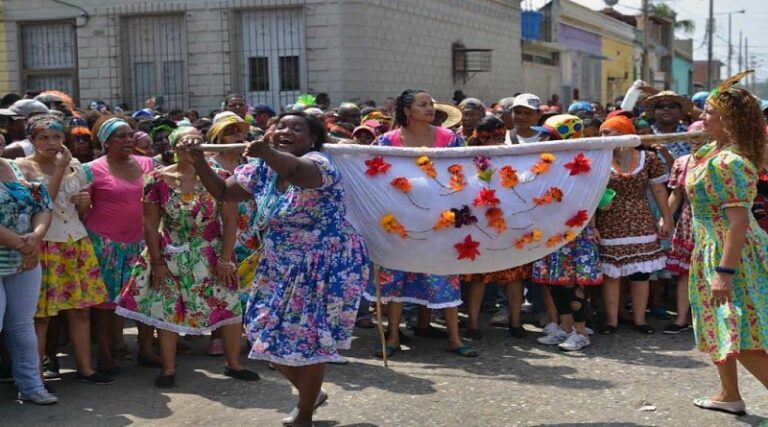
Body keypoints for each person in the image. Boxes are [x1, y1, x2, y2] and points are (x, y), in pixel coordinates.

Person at [184, 111, 368, 426]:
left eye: (298, 128)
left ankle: (305, 413)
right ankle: (311, 392)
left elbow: (296, 171)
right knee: (258, 331)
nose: (287, 131)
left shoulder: (320, 164)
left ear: (312, 139)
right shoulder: (261, 170)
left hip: (324, 264)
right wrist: (197, 160)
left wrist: (266, 152)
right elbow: (225, 192)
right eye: (281, 126)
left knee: (308, 338)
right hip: (279, 262)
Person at [116, 127, 258, 388]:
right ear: (173, 148)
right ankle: (168, 369)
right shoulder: (156, 179)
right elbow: (150, 224)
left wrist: (226, 260)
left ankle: (234, 364)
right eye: (185, 143)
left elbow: (229, 222)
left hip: (211, 253)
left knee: (228, 306)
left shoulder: (221, 179)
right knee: (168, 310)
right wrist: (157, 261)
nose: (192, 149)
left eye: (198, 144)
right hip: (170, 252)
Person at [365, 89, 476, 358]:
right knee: (396, 277)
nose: (429, 109)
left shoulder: (450, 139)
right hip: (400, 220)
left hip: (440, 219)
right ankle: (392, 337)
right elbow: (372, 173)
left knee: (445, 273)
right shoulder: (386, 141)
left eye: (431, 105)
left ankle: (454, 337)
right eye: (422, 104)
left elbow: (463, 171)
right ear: (407, 110)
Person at [687, 82, 768, 416]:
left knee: (741, 330)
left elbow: (737, 223)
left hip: (730, 252)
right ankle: (729, 394)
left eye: (710, 112)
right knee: (717, 323)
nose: (702, 117)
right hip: (712, 246)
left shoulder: (728, 162)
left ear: (730, 120)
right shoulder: (714, 153)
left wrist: (725, 272)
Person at [17, 115, 113, 385]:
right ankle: (34, 376)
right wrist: (58, 169)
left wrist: (84, 203)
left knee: (81, 310)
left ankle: (85, 368)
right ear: (32, 140)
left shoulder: (75, 166)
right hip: (45, 243)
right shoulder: (22, 168)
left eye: (56, 137)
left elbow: (83, 211)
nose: (51, 142)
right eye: (43, 137)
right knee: (42, 316)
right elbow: (41, 203)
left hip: (75, 241)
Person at [84, 117, 160, 374]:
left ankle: (147, 349)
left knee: (145, 296)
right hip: (105, 243)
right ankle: (105, 352)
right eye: (120, 136)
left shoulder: (148, 164)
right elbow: (84, 209)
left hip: (142, 241)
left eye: (130, 135)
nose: (128, 140)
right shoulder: (92, 169)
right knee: (104, 301)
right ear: (105, 142)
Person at [596, 115, 672, 335]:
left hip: (641, 221)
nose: (602, 137)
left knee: (641, 274)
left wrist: (666, 218)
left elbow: (659, 190)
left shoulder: (648, 159)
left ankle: (640, 320)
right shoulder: (600, 159)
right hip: (610, 220)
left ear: (623, 134)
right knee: (612, 275)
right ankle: (611, 321)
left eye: (607, 133)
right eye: (601, 133)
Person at [531, 114, 602, 351]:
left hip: (573, 233)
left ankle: (581, 332)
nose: (542, 139)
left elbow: (589, 199)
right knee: (555, 283)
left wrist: (591, 226)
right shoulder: (547, 162)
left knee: (572, 285)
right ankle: (565, 327)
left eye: (548, 136)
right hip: (550, 231)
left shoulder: (582, 165)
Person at [463, 116, 530, 340]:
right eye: (492, 136)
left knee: (514, 275)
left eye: (500, 136)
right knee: (480, 276)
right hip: (480, 222)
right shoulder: (468, 157)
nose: (497, 140)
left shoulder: (512, 156)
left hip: (509, 220)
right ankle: (472, 324)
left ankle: (516, 321)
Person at [0, 138, 56, 403]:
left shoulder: (17, 167)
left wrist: (36, 236)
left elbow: (42, 205)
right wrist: (24, 245)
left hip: (25, 260)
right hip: (22, 253)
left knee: (22, 326)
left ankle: (32, 386)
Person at [205, 112, 258, 356]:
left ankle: (244, 332)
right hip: (217, 229)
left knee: (247, 285)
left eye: (238, 130)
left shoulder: (252, 164)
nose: (236, 135)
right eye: (229, 131)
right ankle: (216, 334)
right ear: (217, 136)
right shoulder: (207, 164)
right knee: (219, 285)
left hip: (250, 230)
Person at [663, 122, 710, 334]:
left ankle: (707, 320)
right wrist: (665, 218)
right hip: (688, 221)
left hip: (712, 220)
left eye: (701, 135)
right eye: (692, 136)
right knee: (685, 273)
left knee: (710, 272)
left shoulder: (719, 161)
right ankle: (681, 319)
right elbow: (676, 194)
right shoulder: (682, 162)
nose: (696, 139)